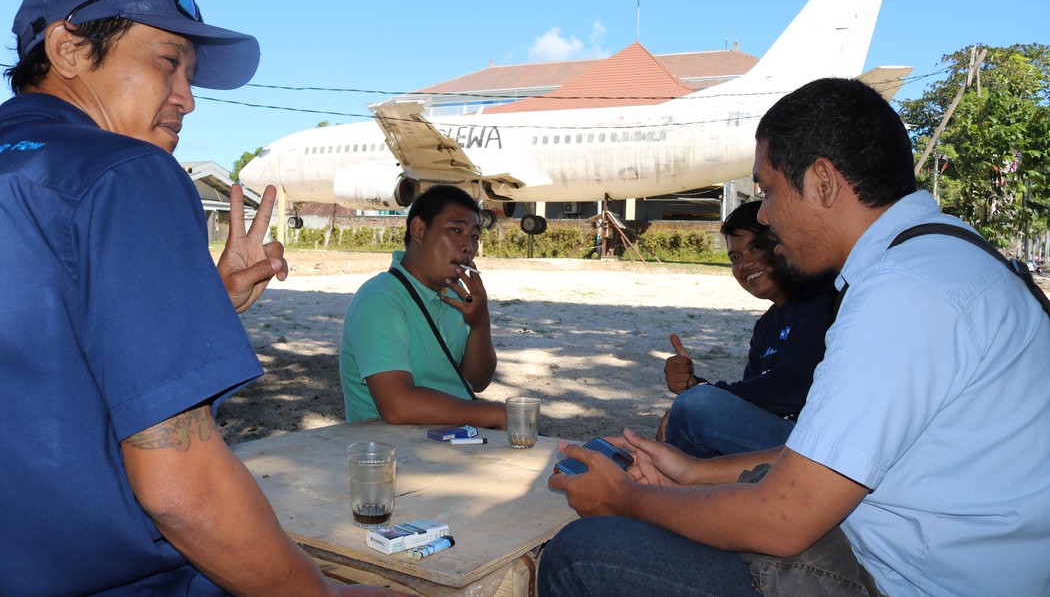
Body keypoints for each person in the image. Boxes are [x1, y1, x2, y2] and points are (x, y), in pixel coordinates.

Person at [540, 78, 1050, 596]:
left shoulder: (903, 293)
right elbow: (825, 465)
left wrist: (624, 499)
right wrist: (693, 474)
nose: (762, 215)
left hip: (908, 582)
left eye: (767, 191)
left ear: (822, 181)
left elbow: (783, 519)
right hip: (948, 561)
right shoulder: (946, 256)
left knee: (583, 552)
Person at [0, 0, 395, 596]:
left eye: (190, 74)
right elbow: (181, 487)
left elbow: (41, 366)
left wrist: (207, 302)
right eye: (166, 62)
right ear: (68, 48)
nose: (188, 96)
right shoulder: (126, 174)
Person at [659, 200, 836, 457]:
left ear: (782, 242)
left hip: (816, 448)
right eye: (735, 257)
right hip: (780, 441)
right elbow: (751, 400)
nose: (745, 264)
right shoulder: (765, 326)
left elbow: (793, 388)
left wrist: (701, 396)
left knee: (692, 409)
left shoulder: (821, 298)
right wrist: (695, 385)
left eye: (756, 247)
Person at [340, 184, 506, 428]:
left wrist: (481, 325)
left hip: (449, 439)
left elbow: (476, 381)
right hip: (392, 451)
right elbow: (397, 406)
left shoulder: (454, 297)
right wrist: (498, 414)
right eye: (455, 230)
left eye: (474, 236)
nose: (468, 247)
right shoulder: (379, 300)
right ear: (418, 229)